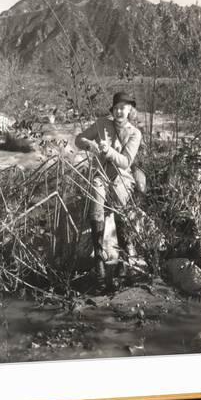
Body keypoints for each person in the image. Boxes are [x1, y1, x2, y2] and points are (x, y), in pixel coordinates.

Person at [75, 91, 142, 292]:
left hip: (123, 176)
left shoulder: (135, 133)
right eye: (117, 108)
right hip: (101, 175)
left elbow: (125, 161)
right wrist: (91, 145)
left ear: (130, 110)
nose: (120, 111)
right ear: (113, 110)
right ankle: (99, 262)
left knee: (122, 207)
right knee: (96, 205)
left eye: (124, 107)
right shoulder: (101, 123)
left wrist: (108, 151)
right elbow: (78, 140)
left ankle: (123, 261)